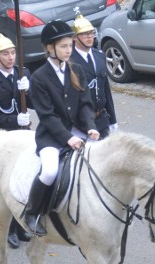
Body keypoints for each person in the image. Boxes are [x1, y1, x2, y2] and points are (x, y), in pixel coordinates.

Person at [23, 21, 99, 236]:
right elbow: (47, 116)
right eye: (64, 46)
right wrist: (67, 138)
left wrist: (91, 128)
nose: (68, 50)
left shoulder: (76, 69)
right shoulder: (39, 78)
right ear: (50, 48)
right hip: (51, 136)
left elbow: (85, 103)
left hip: (78, 131)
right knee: (49, 171)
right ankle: (32, 211)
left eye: (70, 45)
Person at [0, 34, 32, 248]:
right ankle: (7, 228)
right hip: (2, 138)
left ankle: (21, 225)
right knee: (5, 187)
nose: (10, 58)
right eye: (5, 54)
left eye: (12, 53)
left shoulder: (24, 74)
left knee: (24, 181)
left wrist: (29, 90)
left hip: (24, 136)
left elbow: (36, 103)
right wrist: (13, 119)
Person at [70, 13, 118, 138]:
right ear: (75, 37)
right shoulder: (69, 62)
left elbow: (106, 90)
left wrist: (113, 120)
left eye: (91, 33)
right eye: (85, 34)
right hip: (80, 123)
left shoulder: (100, 55)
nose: (90, 37)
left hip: (102, 119)